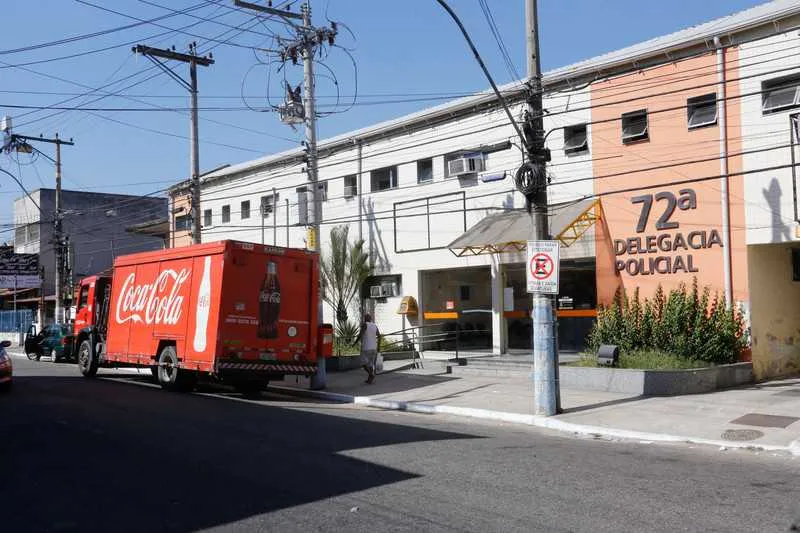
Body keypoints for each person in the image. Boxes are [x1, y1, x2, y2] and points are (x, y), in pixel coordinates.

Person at [359, 313, 380, 384]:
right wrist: (379, 347)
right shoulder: (374, 325)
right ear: (370, 319)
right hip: (374, 348)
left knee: (363, 364)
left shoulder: (365, 324)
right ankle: (369, 380)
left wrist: (354, 343)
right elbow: (379, 336)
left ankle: (371, 374)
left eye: (364, 317)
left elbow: (360, 334)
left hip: (366, 348)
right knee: (371, 365)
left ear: (365, 318)